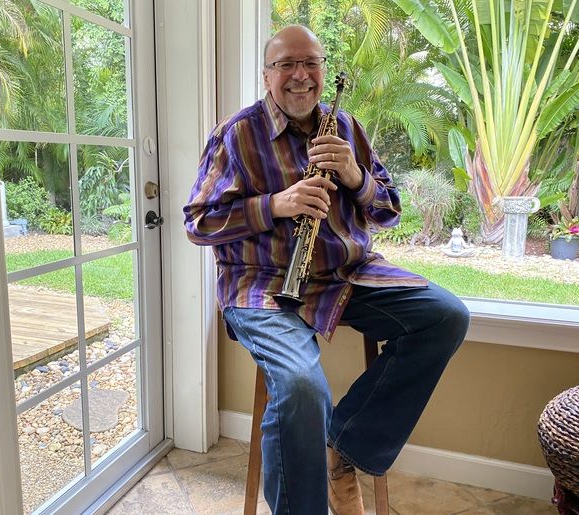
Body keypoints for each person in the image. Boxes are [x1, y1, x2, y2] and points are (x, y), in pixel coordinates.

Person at [183, 24, 469, 515]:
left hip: (345, 273)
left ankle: (344, 448)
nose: (300, 75)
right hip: (262, 282)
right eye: (286, 65)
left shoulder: (347, 128)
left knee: (446, 317)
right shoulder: (236, 134)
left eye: (310, 63)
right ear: (266, 75)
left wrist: (356, 176)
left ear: (322, 70)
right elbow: (198, 222)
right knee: (299, 386)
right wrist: (277, 204)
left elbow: (389, 210)